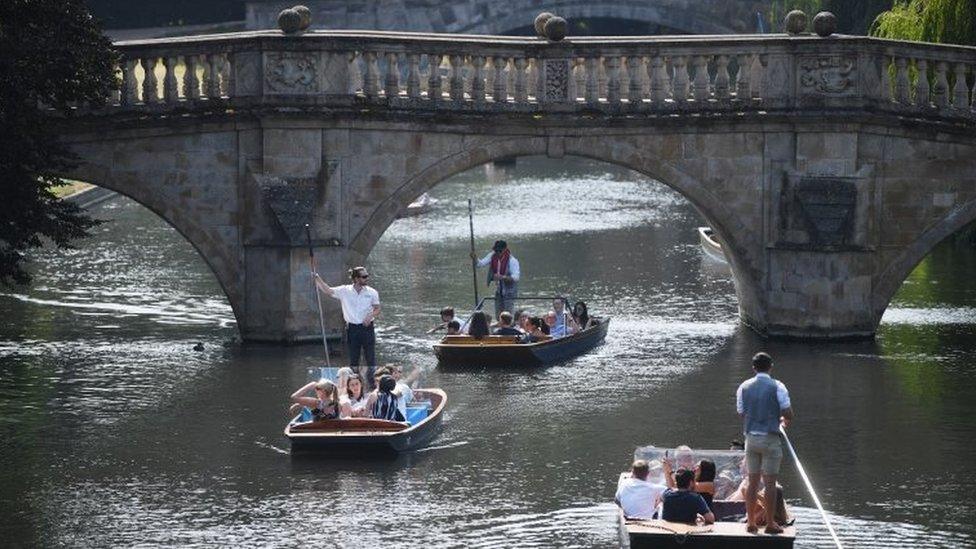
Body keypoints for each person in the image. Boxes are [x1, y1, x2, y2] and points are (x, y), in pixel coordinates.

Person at [736, 352, 794, 534]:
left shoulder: (743, 386)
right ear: (771, 366)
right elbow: (788, 412)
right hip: (770, 439)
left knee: (752, 483)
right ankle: (770, 523)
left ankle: (751, 523)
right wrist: (783, 421)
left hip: (751, 439)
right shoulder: (778, 386)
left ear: (753, 368)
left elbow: (741, 412)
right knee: (770, 484)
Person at [314, 266, 381, 387]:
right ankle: (354, 386)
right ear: (356, 278)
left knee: (370, 358)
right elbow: (328, 290)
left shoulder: (372, 292)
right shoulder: (345, 290)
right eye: (364, 276)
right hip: (352, 329)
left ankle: (373, 386)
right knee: (354, 360)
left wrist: (371, 315)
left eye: (367, 276)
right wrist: (318, 279)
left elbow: (377, 308)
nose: (367, 278)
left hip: (367, 328)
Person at [471, 240, 520, 318]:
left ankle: (509, 327)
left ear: (505, 249)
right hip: (499, 291)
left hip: (509, 292)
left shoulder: (512, 261)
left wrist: (502, 277)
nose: (497, 253)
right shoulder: (492, 255)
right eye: (496, 250)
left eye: (499, 251)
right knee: (498, 315)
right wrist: (475, 258)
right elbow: (480, 264)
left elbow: (516, 277)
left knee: (508, 316)